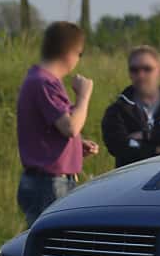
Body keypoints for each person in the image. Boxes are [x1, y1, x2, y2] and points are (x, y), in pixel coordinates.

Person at [16, 21, 99, 225]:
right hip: (50, 184)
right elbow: (70, 127)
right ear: (70, 53)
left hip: (48, 182)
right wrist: (84, 96)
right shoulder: (45, 83)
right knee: (54, 249)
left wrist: (76, 148)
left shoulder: (39, 80)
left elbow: (47, 130)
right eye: (80, 54)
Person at [101, 46, 160, 167]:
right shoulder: (117, 110)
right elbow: (119, 147)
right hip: (131, 180)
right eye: (134, 70)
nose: (141, 75)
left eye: (147, 69)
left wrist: (145, 136)